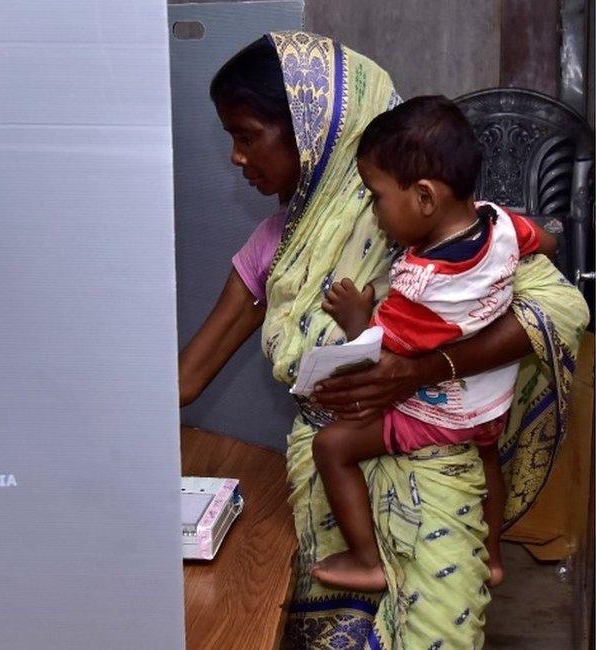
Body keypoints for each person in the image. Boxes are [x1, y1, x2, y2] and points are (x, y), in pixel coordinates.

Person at [179, 31, 588, 648]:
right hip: (332, 482)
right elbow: (185, 380)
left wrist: (423, 370)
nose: (236, 157)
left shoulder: (425, 220)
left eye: (245, 135)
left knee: (437, 629)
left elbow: (561, 310)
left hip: (435, 471)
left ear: (313, 133)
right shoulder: (277, 247)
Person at [309, 95, 558, 595]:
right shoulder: (500, 224)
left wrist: (359, 317)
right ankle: (490, 559)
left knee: (331, 445)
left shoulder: (422, 287)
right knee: (489, 462)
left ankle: (367, 560)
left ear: (424, 197)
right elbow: (546, 242)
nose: (373, 212)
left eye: (375, 196)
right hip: (492, 401)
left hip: (442, 410)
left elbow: (386, 358)